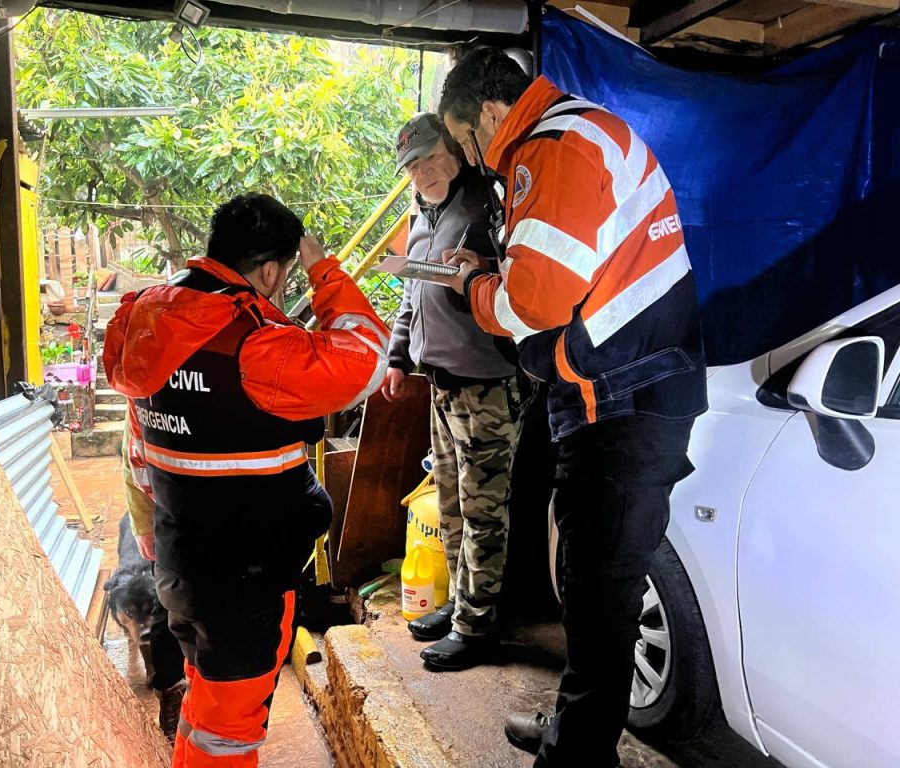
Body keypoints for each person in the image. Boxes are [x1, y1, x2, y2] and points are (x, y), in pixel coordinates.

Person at [437, 48, 708, 767]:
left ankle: (580, 754)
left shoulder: (552, 147)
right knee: (596, 582)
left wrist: (474, 289)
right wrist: (494, 271)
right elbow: (567, 272)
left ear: (490, 112)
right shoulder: (578, 132)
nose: (472, 158)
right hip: (628, 387)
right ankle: (577, 729)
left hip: (622, 399)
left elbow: (535, 302)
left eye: (465, 140)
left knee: (599, 588)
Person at [104, 193, 389, 768]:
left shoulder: (147, 323)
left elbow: (138, 448)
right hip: (246, 582)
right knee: (228, 733)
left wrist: (152, 535)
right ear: (271, 271)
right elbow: (369, 353)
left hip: (181, 567)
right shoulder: (256, 344)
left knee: (204, 709)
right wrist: (324, 270)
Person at [382, 112, 521, 671]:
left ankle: (477, 625)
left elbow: (524, 279)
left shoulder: (489, 204)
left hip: (486, 384)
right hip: (440, 385)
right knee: (452, 504)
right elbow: (410, 294)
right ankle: (462, 603)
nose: (423, 173)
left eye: (431, 158)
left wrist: (482, 268)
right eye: (413, 167)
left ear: (456, 149)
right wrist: (398, 356)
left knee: (484, 511)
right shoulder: (423, 213)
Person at [119, 413, 188, 743]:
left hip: (230, 520)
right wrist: (143, 524)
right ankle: (171, 691)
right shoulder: (144, 394)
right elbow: (132, 454)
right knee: (166, 609)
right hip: (170, 517)